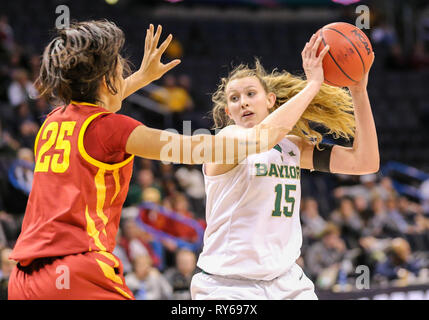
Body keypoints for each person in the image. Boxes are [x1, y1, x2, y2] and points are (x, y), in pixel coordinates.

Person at [6, 20, 303, 300]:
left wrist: (142, 78)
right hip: (76, 271)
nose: (124, 77)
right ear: (108, 80)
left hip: (23, 277)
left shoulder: (53, 122)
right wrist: (312, 85)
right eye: (120, 72)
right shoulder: (114, 128)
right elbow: (207, 148)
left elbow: (97, 101)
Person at [191, 33, 378, 300]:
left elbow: (365, 162)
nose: (242, 101)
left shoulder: (291, 147)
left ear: (270, 100)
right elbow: (263, 138)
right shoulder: (225, 141)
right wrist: (313, 84)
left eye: (250, 94)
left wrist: (359, 91)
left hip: (287, 282)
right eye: (234, 99)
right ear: (228, 114)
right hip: (228, 286)